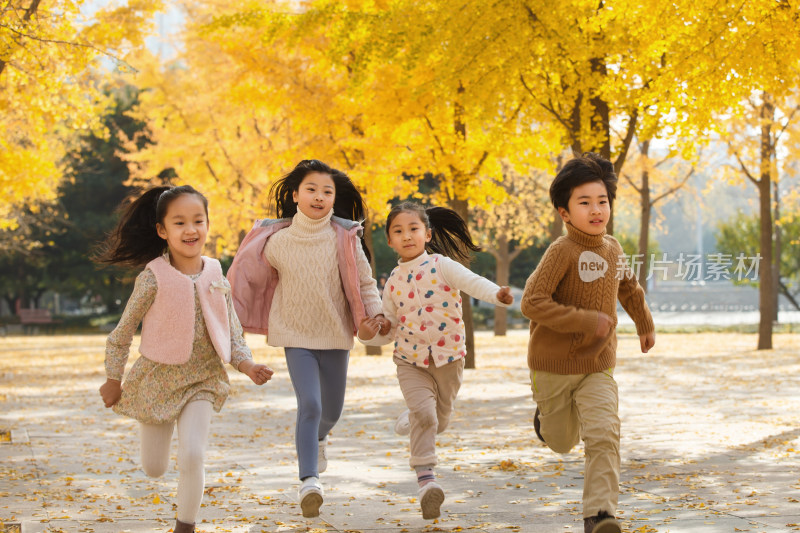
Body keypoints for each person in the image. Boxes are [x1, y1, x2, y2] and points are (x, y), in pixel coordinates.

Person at [95, 185, 273, 533]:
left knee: (193, 453)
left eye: (198, 220)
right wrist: (113, 378)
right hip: (157, 380)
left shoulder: (215, 272)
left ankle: (185, 526)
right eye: (179, 223)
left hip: (203, 379)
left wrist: (247, 364)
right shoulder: (153, 277)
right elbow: (121, 333)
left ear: (207, 224)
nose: (190, 230)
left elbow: (231, 328)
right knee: (154, 468)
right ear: (163, 230)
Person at [227, 159, 384, 518]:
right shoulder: (275, 241)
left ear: (334, 198)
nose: (319, 196)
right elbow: (246, 279)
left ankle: (318, 437)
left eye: (327, 191)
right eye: (311, 189)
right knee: (310, 405)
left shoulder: (345, 239)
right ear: (296, 195)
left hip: (335, 332)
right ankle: (309, 481)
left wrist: (375, 316)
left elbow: (365, 284)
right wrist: (228, 314)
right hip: (295, 334)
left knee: (332, 410)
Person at [520, 153, 656, 533]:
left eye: (602, 201)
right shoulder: (561, 252)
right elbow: (531, 302)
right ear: (564, 212)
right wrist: (585, 320)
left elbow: (628, 287)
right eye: (584, 203)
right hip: (553, 366)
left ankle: (600, 515)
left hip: (598, 365)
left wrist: (644, 322)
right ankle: (546, 422)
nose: (596, 210)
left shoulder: (612, 248)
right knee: (562, 442)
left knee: (604, 432)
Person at [358, 201, 513, 520]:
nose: (407, 236)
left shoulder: (443, 265)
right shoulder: (393, 282)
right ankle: (426, 483)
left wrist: (498, 295)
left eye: (413, 229)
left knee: (439, 420)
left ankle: (411, 419)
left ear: (427, 234)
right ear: (389, 241)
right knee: (426, 416)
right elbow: (387, 328)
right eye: (398, 231)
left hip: (449, 359)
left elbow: (473, 283)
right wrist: (368, 332)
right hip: (410, 362)